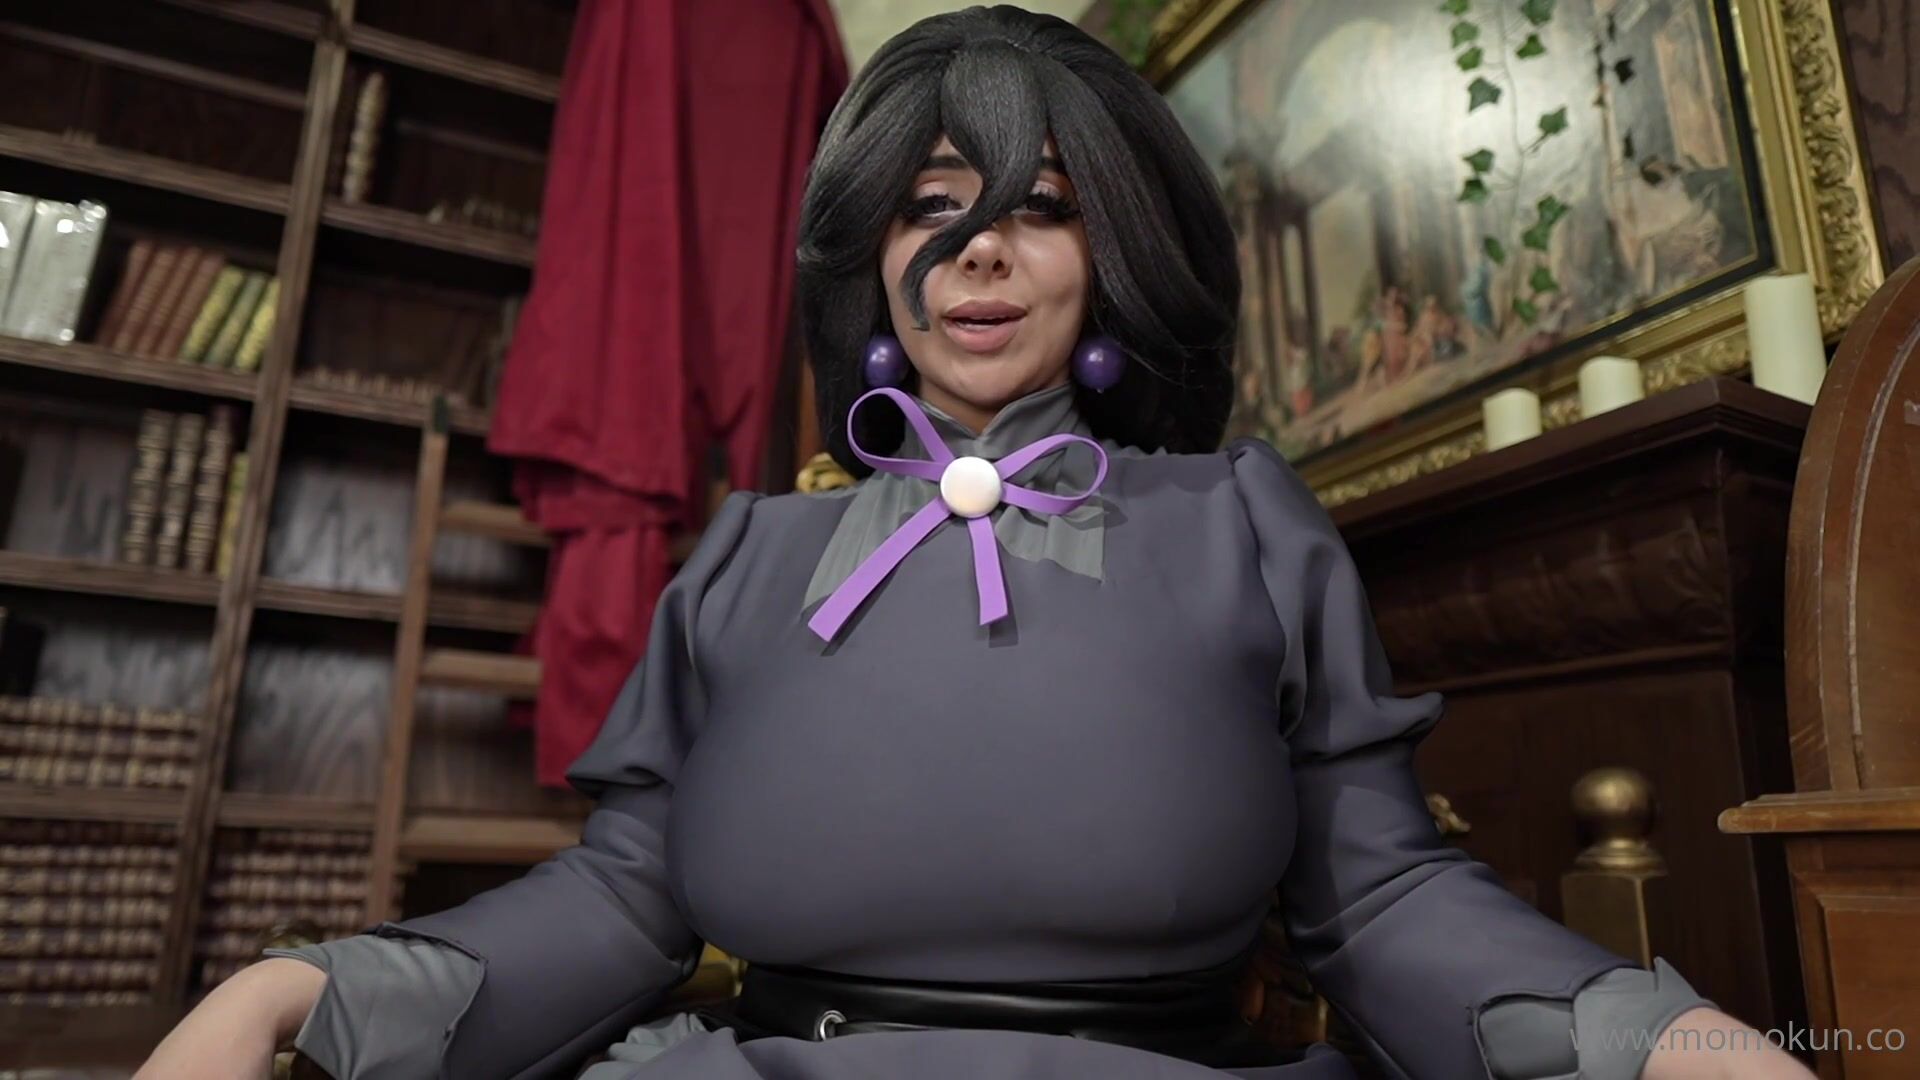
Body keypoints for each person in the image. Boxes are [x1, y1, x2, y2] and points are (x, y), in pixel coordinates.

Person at [138, 8, 1813, 1079]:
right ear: (873, 257)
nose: (978, 251)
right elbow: (625, 894)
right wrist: (300, 989)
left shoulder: (1242, 523)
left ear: (1120, 248)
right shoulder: (746, 552)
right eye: (930, 205)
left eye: (1043, 206)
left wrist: (1652, 1034)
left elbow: (1377, 901)